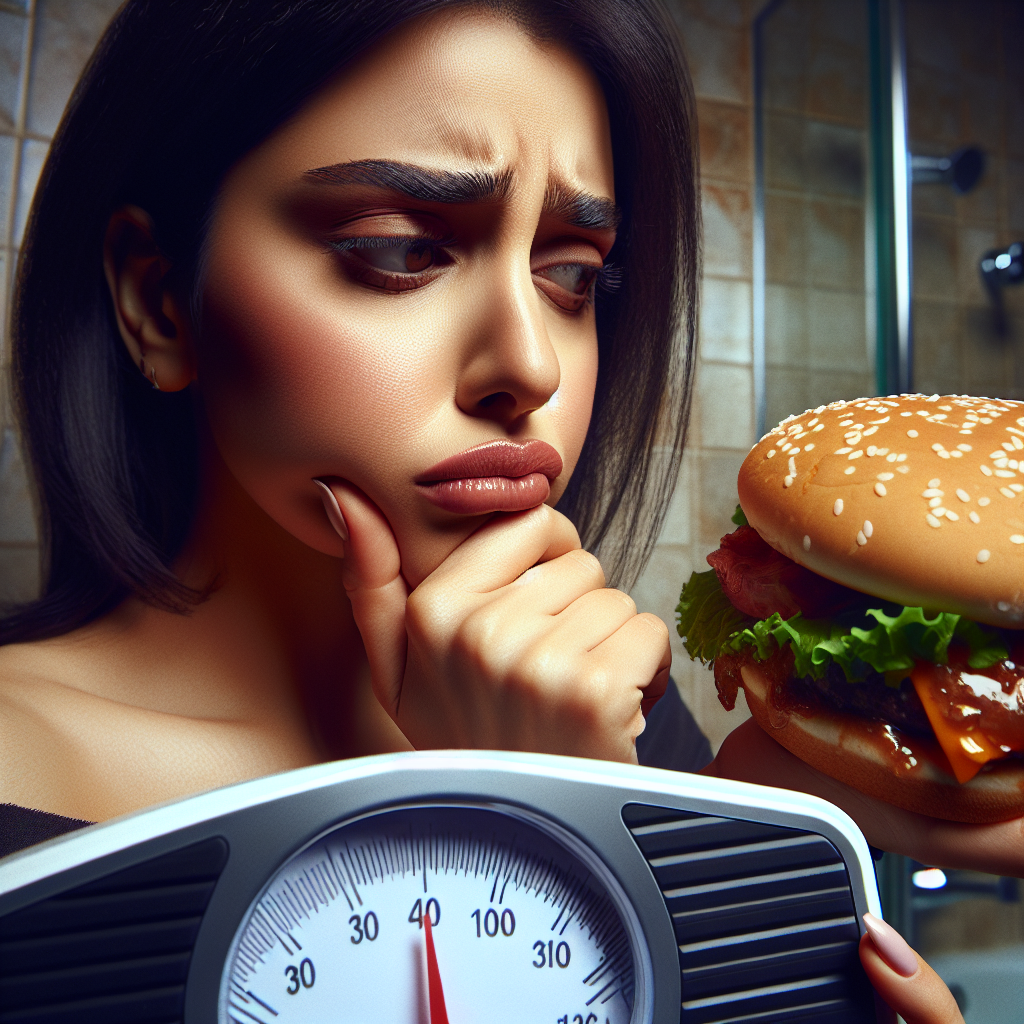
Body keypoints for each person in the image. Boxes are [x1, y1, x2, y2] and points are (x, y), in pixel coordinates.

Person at [0, 3, 982, 1018]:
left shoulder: (599, 710)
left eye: (572, 275)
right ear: (157, 302)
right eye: (396, 250)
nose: (529, 362)